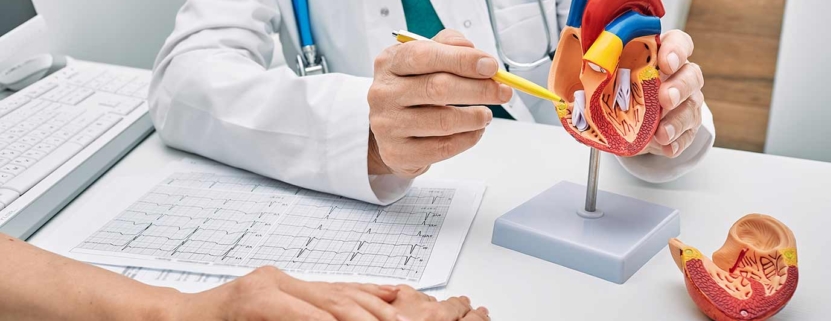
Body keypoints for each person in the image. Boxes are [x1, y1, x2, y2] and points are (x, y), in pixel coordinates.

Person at [0, 0, 712, 320]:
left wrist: (666, 122)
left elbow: (626, 43)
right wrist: (358, 127)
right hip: (414, 250)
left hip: (582, 267)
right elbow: (185, 75)